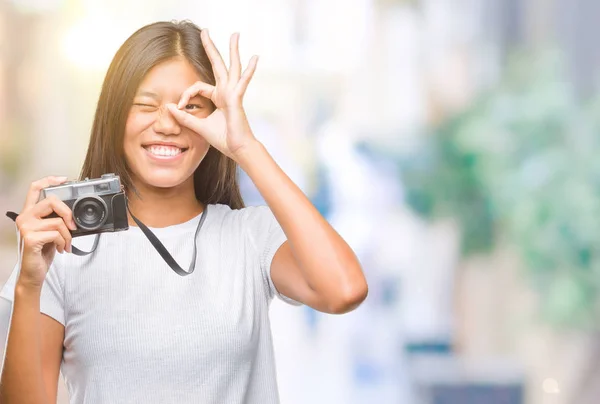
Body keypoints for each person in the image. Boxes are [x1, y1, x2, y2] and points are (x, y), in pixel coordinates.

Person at [0, 20, 368, 404]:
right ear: (115, 114)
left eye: (191, 107)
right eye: (145, 104)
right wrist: (29, 283)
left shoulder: (250, 237)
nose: (167, 123)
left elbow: (344, 290)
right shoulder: (60, 251)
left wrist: (245, 147)